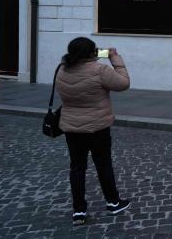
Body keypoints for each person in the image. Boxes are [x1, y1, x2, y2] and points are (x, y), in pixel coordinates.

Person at [56, 37, 131, 226]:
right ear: (92, 53)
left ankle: (79, 211)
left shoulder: (62, 69)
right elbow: (123, 83)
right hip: (98, 127)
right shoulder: (100, 70)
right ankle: (113, 202)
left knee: (77, 168)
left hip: (72, 127)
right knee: (103, 164)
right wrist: (115, 59)